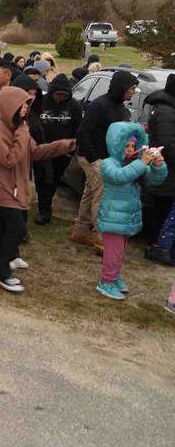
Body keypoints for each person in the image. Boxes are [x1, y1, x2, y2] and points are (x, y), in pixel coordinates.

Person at [0, 87, 75, 292]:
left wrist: (64, 145)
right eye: (23, 105)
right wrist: (23, 133)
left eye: (28, 104)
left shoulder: (20, 127)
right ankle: (2, 272)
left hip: (13, 183)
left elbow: (33, 152)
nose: (26, 108)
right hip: (1, 184)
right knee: (17, 229)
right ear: (10, 106)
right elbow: (9, 159)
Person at [95, 123, 166, 300]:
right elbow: (120, 177)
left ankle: (114, 275)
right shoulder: (107, 164)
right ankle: (105, 282)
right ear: (115, 145)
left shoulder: (134, 163)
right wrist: (142, 163)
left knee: (120, 251)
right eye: (126, 146)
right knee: (113, 252)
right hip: (113, 217)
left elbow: (154, 180)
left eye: (133, 146)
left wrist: (158, 165)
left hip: (127, 217)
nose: (130, 149)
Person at [71, 70, 138, 252]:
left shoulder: (122, 109)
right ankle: (103, 240)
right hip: (92, 156)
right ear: (122, 87)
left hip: (108, 158)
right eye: (132, 88)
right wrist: (94, 159)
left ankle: (81, 230)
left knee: (90, 192)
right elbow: (83, 132)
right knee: (102, 196)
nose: (134, 92)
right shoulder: (99, 105)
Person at [34, 74, 81, 225]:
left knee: (54, 180)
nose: (60, 97)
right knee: (42, 180)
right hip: (42, 150)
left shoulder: (73, 106)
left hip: (62, 153)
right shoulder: (42, 103)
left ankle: (47, 205)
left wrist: (70, 151)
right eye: (58, 94)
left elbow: (77, 129)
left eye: (64, 95)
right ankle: (43, 209)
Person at [142, 74, 175, 246]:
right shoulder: (166, 112)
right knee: (161, 206)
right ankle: (156, 243)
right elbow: (167, 144)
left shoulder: (166, 109)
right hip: (165, 168)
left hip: (165, 168)